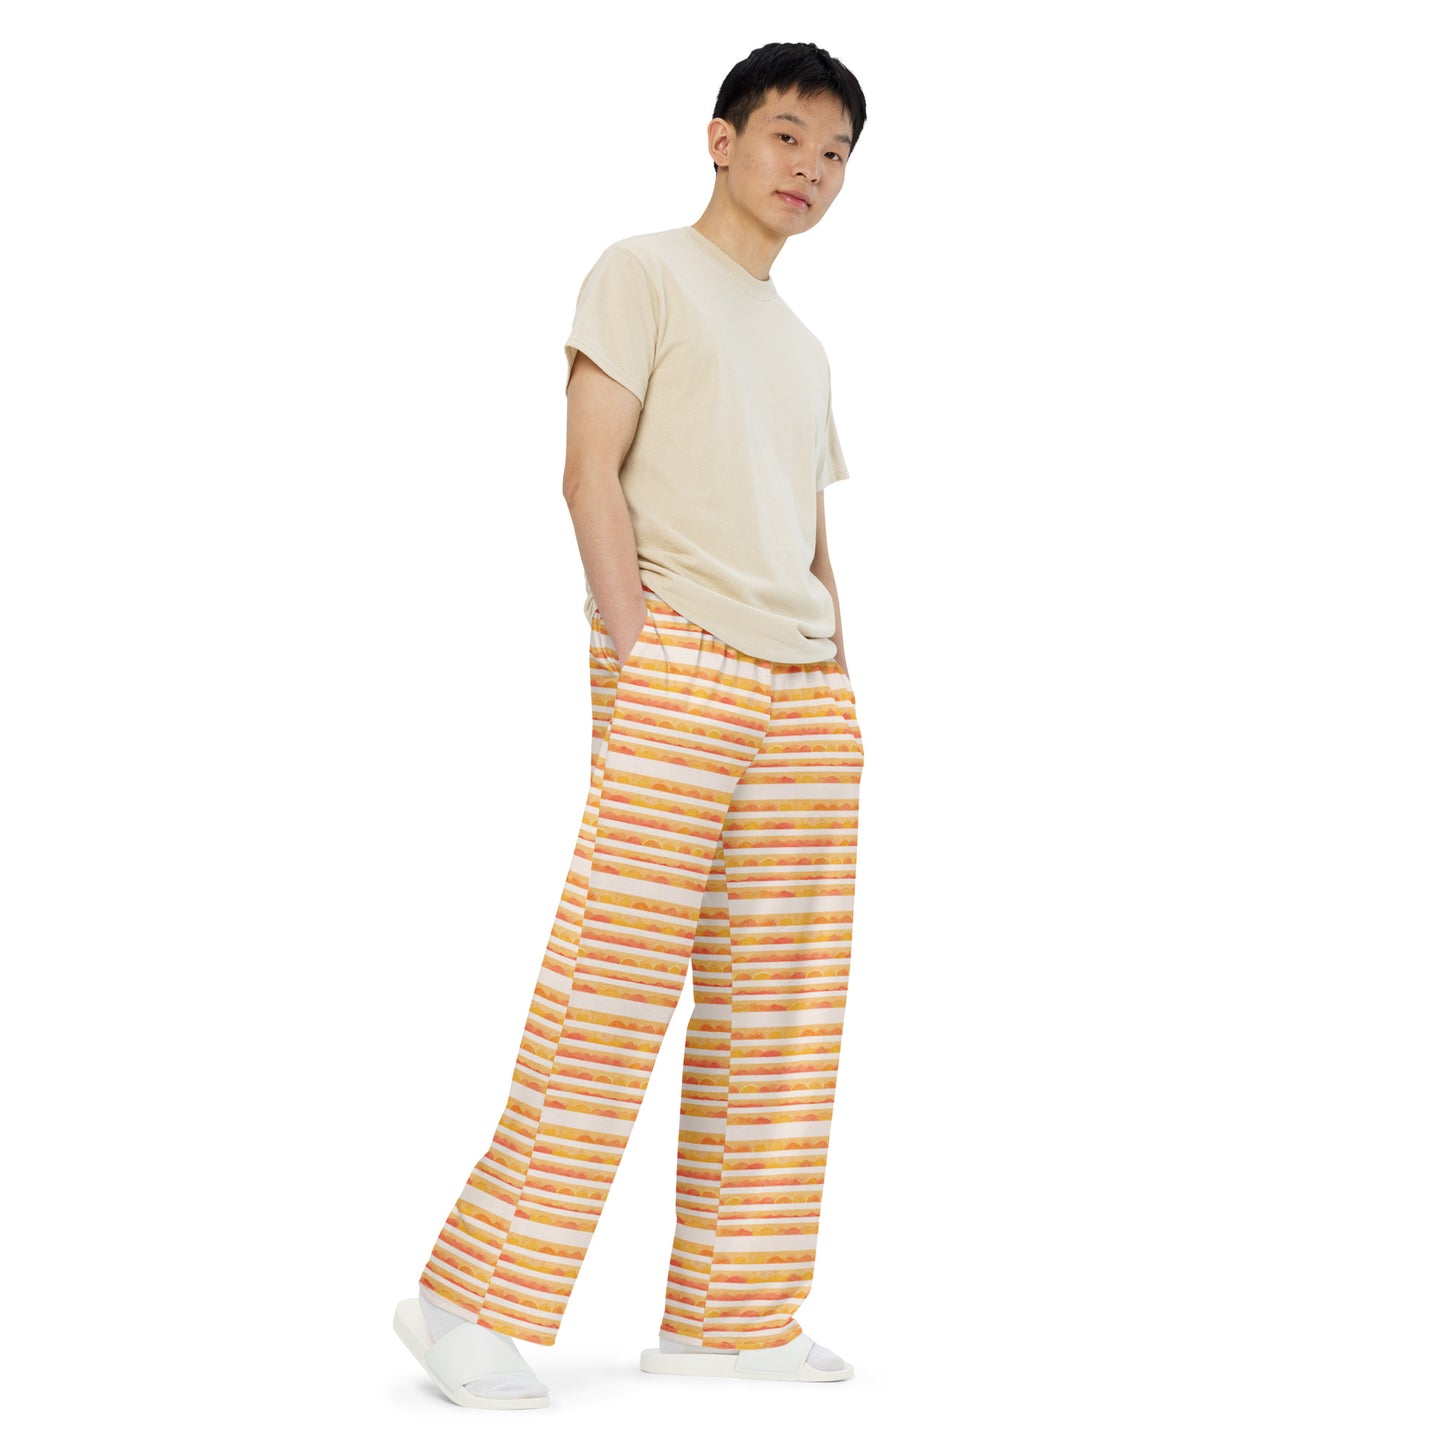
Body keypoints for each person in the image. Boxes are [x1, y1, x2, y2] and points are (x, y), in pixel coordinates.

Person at [393, 40, 868, 1410]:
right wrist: (634, 646)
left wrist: (841, 681)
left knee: (782, 1010)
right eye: (787, 135)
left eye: (836, 154)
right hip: (680, 662)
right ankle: (465, 1297)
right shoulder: (642, 271)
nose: (810, 169)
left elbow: (807, 531)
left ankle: (733, 1309)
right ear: (722, 138)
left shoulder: (803, 346)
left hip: (803, 692)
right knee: (608, 988)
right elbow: (585, 472)